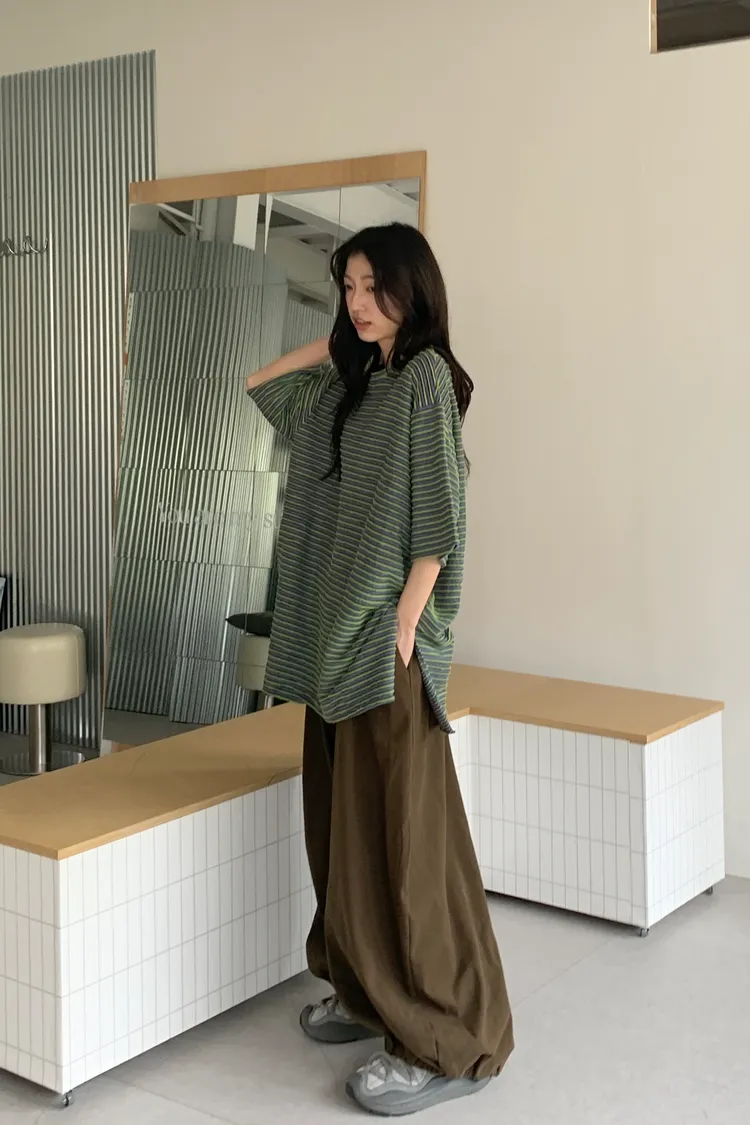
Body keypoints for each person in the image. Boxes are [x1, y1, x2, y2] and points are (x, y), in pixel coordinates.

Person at [245, 222, 513, 1116]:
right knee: (343, 835)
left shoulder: (426, 378)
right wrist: (333, 345)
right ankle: (366, 995)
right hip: (332, 650)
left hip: (382, 652)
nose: (358, 302)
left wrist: (405, 624)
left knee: (405, 850)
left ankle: (444, 1038)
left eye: (372, 286)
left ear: (412, 287)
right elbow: (259, 385)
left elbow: (440, 516)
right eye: (349, 287)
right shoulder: (353, 386)